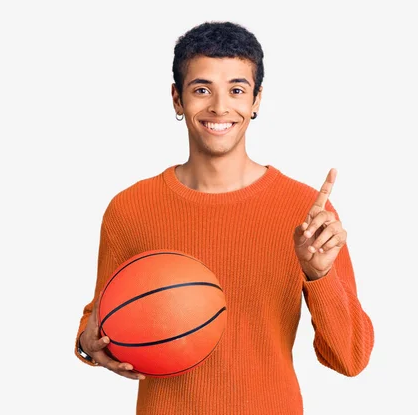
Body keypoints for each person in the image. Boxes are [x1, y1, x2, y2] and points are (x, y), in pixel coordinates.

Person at [74, 21, 374, 415]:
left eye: (236, 90)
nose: (219, 107)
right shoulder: (130, 209)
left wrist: (320, 276)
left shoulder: (307, 213)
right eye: (201, 89)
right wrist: (88, 345)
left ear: (256, 100)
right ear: (177, 99)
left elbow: (350, 359)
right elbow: (98, 320)